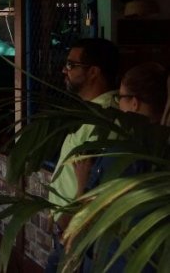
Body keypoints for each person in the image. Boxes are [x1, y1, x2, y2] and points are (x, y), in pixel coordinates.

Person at [69, 62, 168, 273]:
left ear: (134, 103)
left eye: (119, 98)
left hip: (112, 261)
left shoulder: (121, 155)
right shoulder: (162, 153)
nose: (117, 105)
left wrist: (82, 184)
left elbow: (89, 218)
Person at [45, 38, 119, 273]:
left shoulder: (106, 119)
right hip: (69, 229)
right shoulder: (92, 113)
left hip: (76, 232)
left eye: (71, 64)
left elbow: (93, 180)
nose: (64, 70)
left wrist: (71, 221)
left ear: (93, 72)